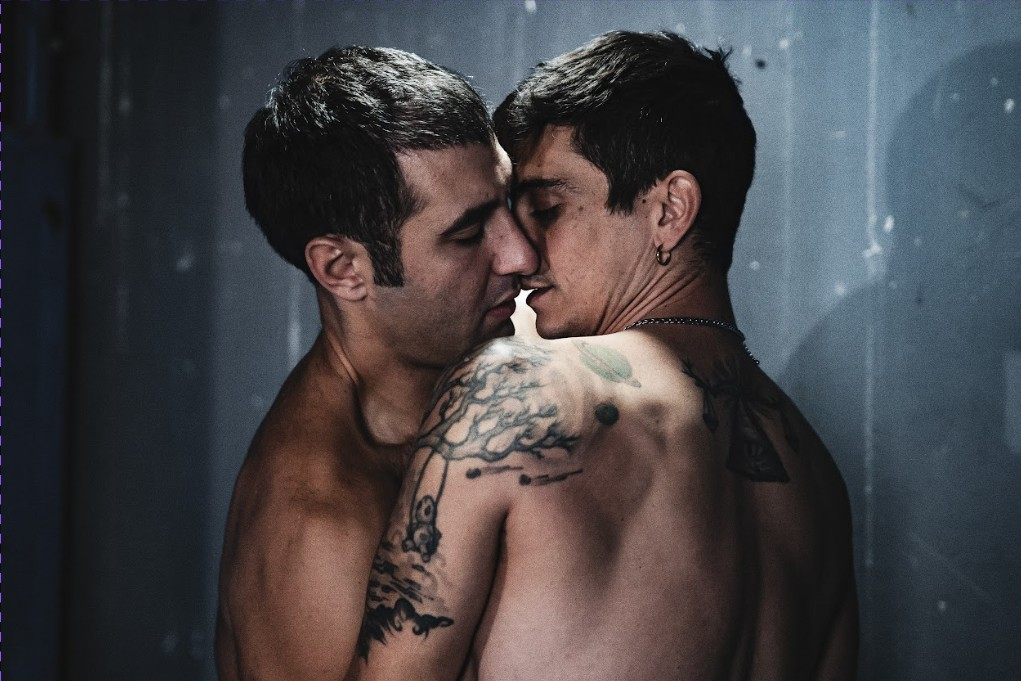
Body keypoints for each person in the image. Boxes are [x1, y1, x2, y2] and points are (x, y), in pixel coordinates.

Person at [356, 31, 858, 680]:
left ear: (669, 209)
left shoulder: (515, 393)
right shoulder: (815, 475)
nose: (520, 253)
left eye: (546, 209)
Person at [215, 46, 536, 681]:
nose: (521, 254)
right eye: (467, 234)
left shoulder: (493, 344)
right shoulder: (321, 531)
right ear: (343, 269)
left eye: (510, 203)